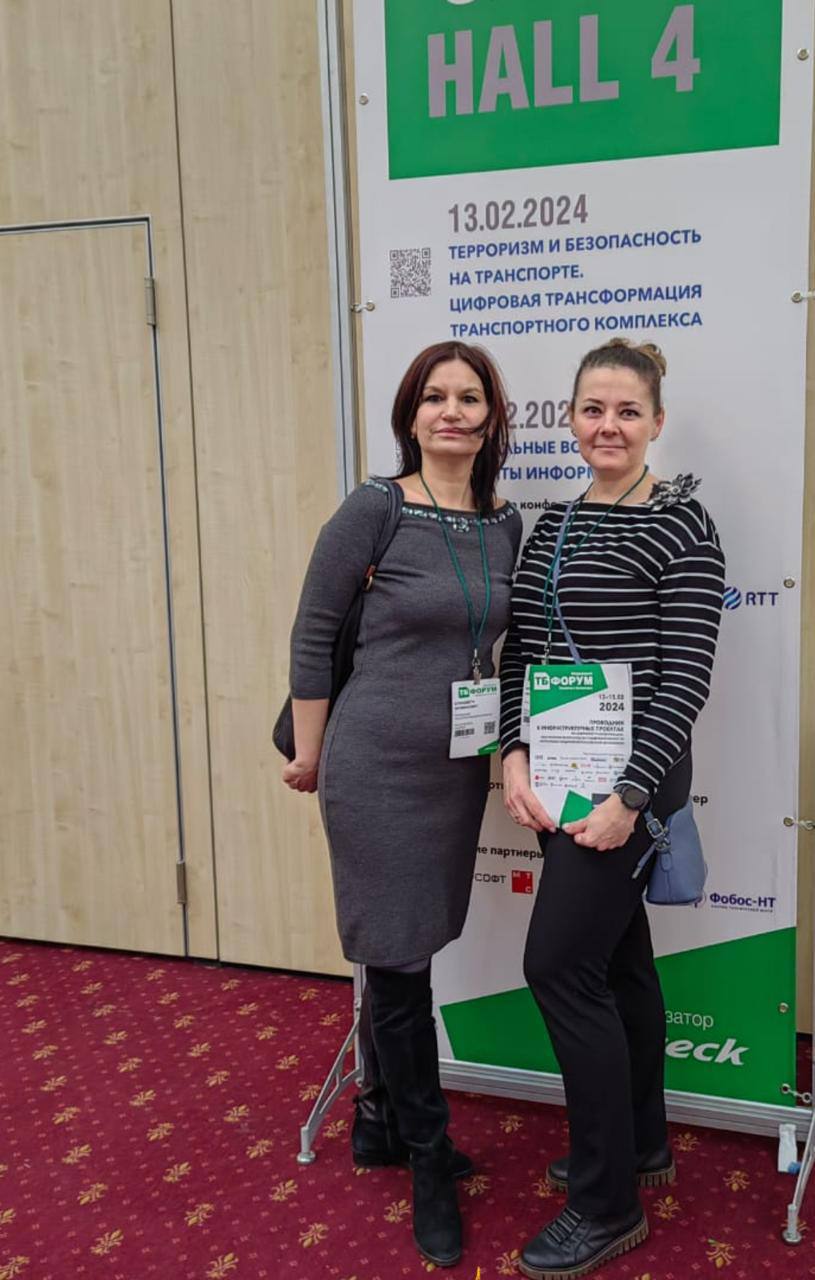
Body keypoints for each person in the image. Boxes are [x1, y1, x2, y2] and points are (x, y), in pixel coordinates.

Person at [283, 340, 522, 1267]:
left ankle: (379, 1118)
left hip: (453, 770)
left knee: (413, 943)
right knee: (396, 960)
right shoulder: (374, 508)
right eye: (433, 396)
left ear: (492, 419)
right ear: (409, 415)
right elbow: (313, 633)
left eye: (468, 397)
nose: (450, 411)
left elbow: (503, 646)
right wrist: (310, 754)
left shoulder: (502, 522)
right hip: (374, 765)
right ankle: (427, 1157)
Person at [499, 338, 725, 1279]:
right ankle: (640, 1143)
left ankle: (605, 1205)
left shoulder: (682, 524)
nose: (608, 425)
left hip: (631, 789)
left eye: (627, 411)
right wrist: (512, 751)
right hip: (559, 777)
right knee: (618, 965)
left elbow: (686, 681)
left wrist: (629, 798)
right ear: (569, 419)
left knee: (558, 968)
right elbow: (522, 651)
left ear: (656, 422)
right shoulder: (552, 524)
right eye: (592, 409)